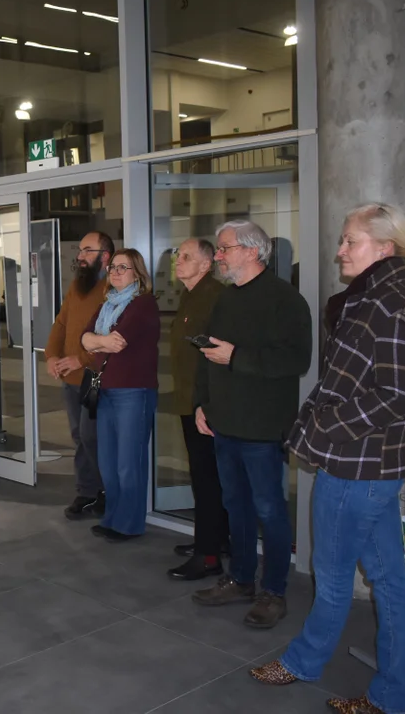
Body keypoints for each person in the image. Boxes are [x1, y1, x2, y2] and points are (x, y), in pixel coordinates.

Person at [251, 204, 405, 714]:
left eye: (351, 241)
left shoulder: (389, 305)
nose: (340, 251)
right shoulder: (375, 299)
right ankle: (393, 695)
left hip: (357, 466)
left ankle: (303, 662)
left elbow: (397, 396)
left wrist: (330, 426)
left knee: (331, 579)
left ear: (385, 247)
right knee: (389, 583)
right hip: (370, 467)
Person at [191, 220, 312, 629]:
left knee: (270, 510)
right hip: (223, 422)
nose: (218, 256)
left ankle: (273, 591)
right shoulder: (225, 299)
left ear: (252, 250)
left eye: (224, 248)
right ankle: (241, 579)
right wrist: (202, 404)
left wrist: (236, 356)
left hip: (262, 428)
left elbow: (296, 360)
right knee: (236, 507)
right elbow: (209, 354)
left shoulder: (285, 300)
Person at [79, 249, 160, 542]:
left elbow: (118, 343)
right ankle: (112, 517)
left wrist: (96, 341)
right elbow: (84, 339)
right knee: (109, 462)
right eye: (113, 267)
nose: (115, 272)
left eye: (123, 267)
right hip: (106, 391)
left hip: (133, 392)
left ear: (137, 273)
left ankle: (129, 524)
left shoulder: (143, 304)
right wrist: (98, 341)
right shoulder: (108, 304)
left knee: (128, 463)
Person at [167, 239, 229, 581]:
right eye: (179, 255)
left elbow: (217, 356)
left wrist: (207, 403)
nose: (179, 260)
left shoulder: (214, 297)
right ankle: (214, 539)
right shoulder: (191, 295)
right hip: (190, 399)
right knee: (205, 476)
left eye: (187, 256)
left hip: (204, 404)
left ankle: (208, 556)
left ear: (206, 264)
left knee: (207, 479)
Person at [44, 231, 114, 520]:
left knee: (91, 436)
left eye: (87, 250)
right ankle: (87, 491)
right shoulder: (78, 286)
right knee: (79, 437)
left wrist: (80, 359)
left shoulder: (113, 288)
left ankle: (107, 492)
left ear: (105, 256)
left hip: (96, 377)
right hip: (71, 378)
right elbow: (61, 323)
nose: (80, 256)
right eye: (80, 250)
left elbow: (111, 338)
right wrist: (51, 355)